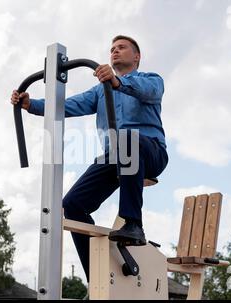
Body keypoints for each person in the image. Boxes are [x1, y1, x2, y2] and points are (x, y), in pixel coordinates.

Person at [11, 35, 168, 282]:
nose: (115, 51)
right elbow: (66, 105)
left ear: (136, 57)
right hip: (117, 156)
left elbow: (148, 92)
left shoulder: (151, 80)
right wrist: (31, 105)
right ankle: (97, 275)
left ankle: (134, 224)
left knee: (126, 139)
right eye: (112, 49)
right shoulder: (99, 91)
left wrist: (117, 83)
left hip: (151, 152)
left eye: (122, 48)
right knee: (72, 204)